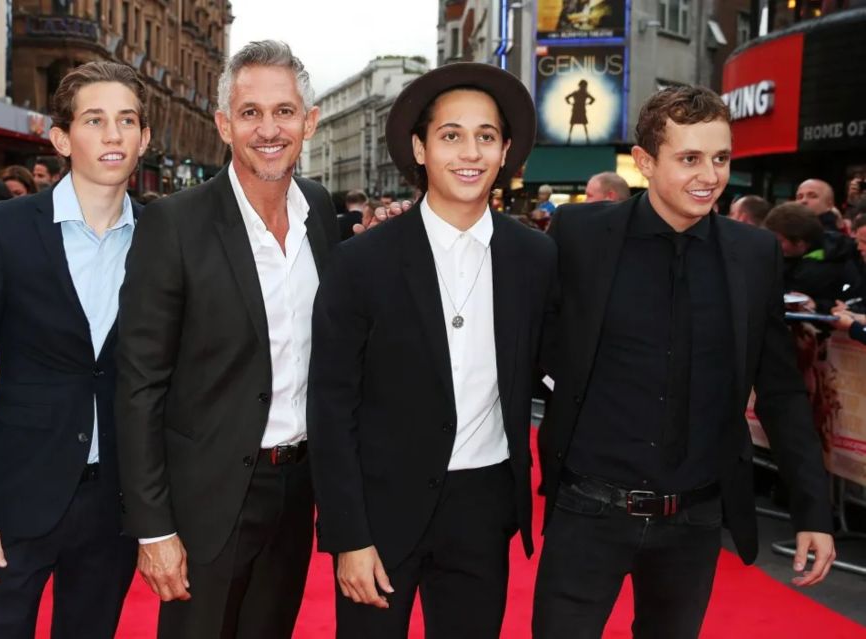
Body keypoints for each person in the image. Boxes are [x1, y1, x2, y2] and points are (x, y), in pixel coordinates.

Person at [533, 85, 835, 639]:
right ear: (646, 162)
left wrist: (813, 510)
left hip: (694, 519)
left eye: (720, 158)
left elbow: (781, 392)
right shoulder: (580, 236)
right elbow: (530, 334)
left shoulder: (754, 255)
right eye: (690, 158)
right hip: (589, 510)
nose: (710, 175)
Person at [309, 63, 558, 639]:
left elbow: (559, 365)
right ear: (420, 149)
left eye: (486, 136)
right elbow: (329, 404)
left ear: (505, 152)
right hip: (381, 508)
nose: (469, 152)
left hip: (483, 506)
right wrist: (348, 534)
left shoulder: (535, 258)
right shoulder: (361, 262)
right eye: (451, 135)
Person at [115, 40, 338, 639]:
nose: (269, 129)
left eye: (285, 111)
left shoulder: (321, 211)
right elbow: (139, 385)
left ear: (309, 122)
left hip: (297, 490)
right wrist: (153, 527)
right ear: (224, 124)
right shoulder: (173, 224)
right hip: (206, 499)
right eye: (250, 112)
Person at [0, 60, 151, 638]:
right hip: (14, 500)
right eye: (95, 119)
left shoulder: (164, 238)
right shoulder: (5, 229)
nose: (113, 135)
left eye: (127, 120)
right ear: (61, 138)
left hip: (115, 507)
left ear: (144, 138)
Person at [764, 202, 852, 313]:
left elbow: (851, 302)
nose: (772, 245)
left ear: (800, 243)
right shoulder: (778, 256)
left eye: (779, 241)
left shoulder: (836, 258)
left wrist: (817, 305)